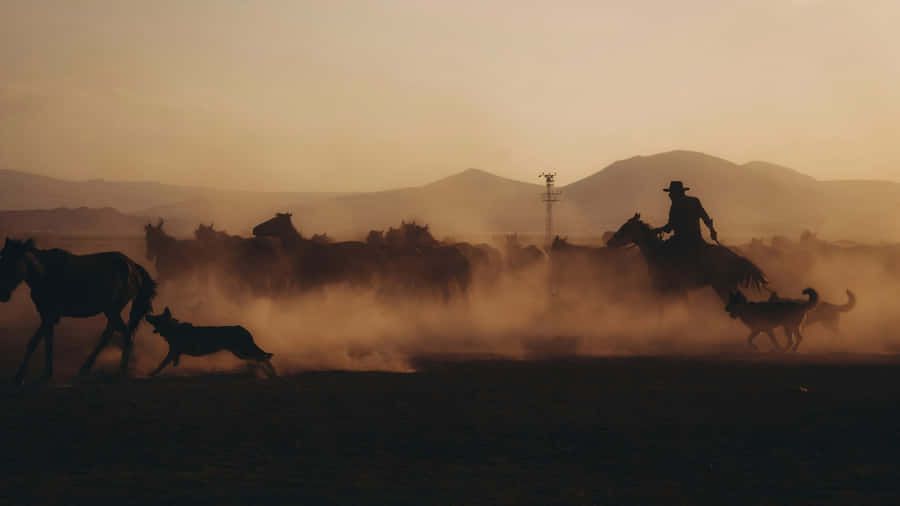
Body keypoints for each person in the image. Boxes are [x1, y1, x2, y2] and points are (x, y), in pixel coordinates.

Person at [653, 181, 718, 255]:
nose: (669, 195)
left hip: (681, 242)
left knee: (660, 252)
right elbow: (705, 217)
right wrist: (712, 230)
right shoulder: (695, 201)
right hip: (697, 240)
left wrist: (657, 230)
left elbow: (669, 228)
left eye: (671, 193)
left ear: (676, 193)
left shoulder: (675, 206)